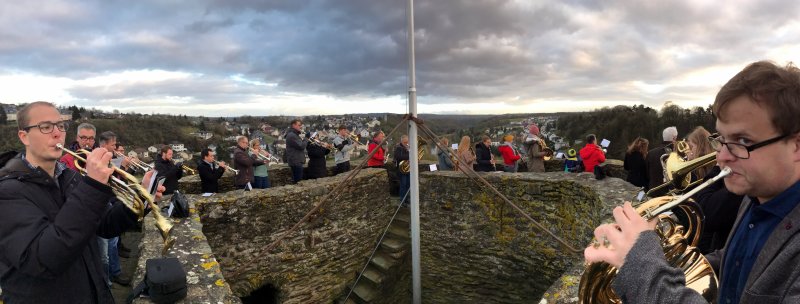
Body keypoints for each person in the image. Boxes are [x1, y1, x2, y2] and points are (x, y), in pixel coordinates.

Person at [584, 61, 800, 303]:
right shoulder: (756, 196)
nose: (721, 156)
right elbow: (742, 262)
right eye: (722, 138)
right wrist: (670, 263)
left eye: (743, 140)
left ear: (796, 146)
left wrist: (643, 266)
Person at [0, 101, 164, 303]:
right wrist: (93, 186)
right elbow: (45, 258)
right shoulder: (7, 192)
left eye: (60, 126)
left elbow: (105, 225)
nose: (57, 133)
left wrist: (142, 197)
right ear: (23, 136)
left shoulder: (68, 176)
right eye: (45, 127)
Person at [646, 126, 679, 190]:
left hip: (653, 190)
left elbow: (647, 175)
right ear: (674, 138)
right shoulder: (675, 155)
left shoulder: (650, 153)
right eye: (676, 138)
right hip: (669, 193)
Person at [284, 119, 308, 183]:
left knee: (297, 180)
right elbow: (301, 146)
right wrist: (306, 138)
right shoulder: (292, 135)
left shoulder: (294, 134)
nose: (300, 127)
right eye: (299, 125)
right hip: (296, 161)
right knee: (298, 181)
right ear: (293, 125)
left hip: (296, 160)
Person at [394, 135, 410, 203]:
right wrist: (410, 155)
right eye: (405, 142)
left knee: (408, 184)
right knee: (403, 185)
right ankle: (402, 199)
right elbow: (398, 157)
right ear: (402, 141)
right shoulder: (398, 148)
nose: (406, 143)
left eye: (407, 142)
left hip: (408, 169)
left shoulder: (409, 148)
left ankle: (406, 198)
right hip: (401, 170)